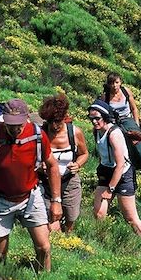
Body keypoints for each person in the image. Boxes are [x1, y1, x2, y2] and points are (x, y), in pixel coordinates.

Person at [0, 99, 62, 272]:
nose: (15, 128)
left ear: (26, 117)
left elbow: (52, 165)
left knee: (44, 248)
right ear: (4, 119)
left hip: (30, 197)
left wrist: (56, 200)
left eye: (19, 124)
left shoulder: (37, 136)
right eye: (10, 124)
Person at [88, 99, 141, 237]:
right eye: (91, 118)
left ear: (104, 116)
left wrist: (110, 189)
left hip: (122, 174)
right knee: (99, 213)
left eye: (97, 118)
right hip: (106, 170)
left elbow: (120, 164)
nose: (94, 121)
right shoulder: (97, 131)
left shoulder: (114, 134)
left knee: (131, 218)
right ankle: (103, 240)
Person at [38, 93, 89, 233]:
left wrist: (77, 164)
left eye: (58, 122)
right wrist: (39, 167)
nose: (55, 126)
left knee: (70, 218)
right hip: (46, 183)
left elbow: (84, 154)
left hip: (69, 182)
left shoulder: (75, 133)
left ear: (64, 118)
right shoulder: (40, 134)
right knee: (51, 222)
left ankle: (68, 240)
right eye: (51, 122)